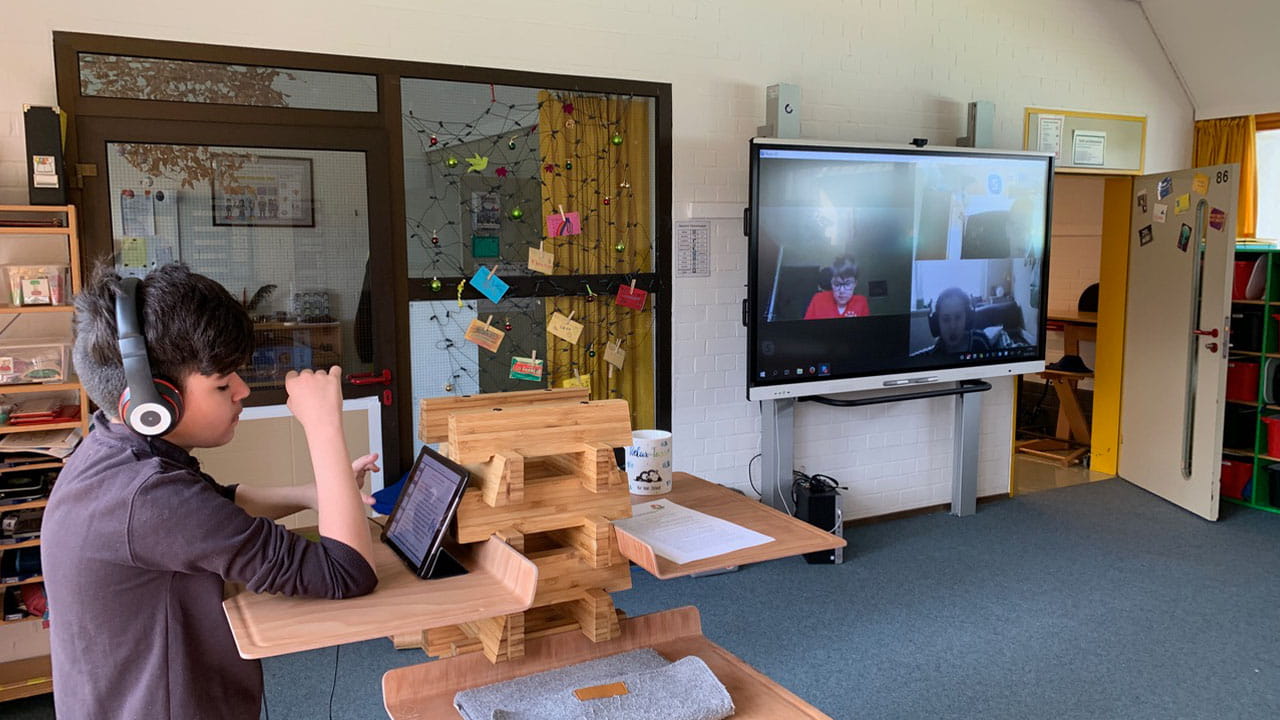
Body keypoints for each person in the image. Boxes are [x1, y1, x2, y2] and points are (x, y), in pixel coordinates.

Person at [41, 264, 380, 719]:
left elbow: (215, 504)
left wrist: (314, 495)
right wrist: (323, 424)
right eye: (222, 383)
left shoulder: (111, 448)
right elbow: (347, 573)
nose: (242, 390)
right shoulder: (150, 500)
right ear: (155, 403)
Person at [917, 286, 991, 356]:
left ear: (968, 319)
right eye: (946, 319)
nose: (953, 326)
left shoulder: (980, 341)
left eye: (958, 317)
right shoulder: (933, 355)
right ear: (936, 323)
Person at [803, 255, 870, 319]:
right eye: (837, 284)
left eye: (847, 284)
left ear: (855, 284)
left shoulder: (861, 302)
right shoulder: (818, 299)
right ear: (831, 283)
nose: (842, 290)